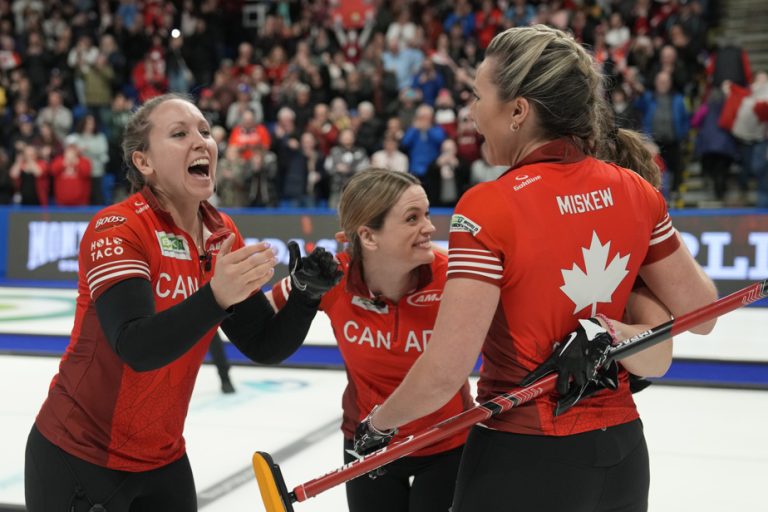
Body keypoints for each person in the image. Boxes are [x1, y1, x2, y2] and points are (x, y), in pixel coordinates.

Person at [355, 26, 718, 512]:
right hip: (622, 457)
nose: (471, 112)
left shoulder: (488, 207)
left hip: (523, 458)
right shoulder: (635, 189)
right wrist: (609, 330)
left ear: (518, 111)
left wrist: (377, 425)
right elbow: (704, 314)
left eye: (478, 96)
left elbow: (446, 371)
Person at [24, 93, 342, 512]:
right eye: (179, 134)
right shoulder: (117, 227)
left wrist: (305, 295)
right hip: (79, 456)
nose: (201, 142)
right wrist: (215, 296)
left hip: (164, 459)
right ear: (144, 162)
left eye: (205, 132)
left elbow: (264, 343)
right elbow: (135, 347)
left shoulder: (220, 232)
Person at [269, 168, 472, 512]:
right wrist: (300, 293)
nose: (429, 227)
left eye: (426, 213)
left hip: (446, 443)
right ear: (369, 236)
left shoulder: (452, 275)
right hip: (366, 446)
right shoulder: (331, 275)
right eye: (412, 218)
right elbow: (257, 325)